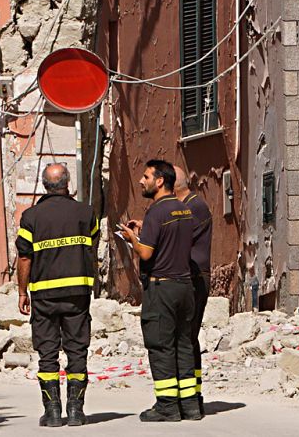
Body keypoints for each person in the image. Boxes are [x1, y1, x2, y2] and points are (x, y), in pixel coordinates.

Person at [15, 163, 99, 427]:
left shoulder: (31, 217)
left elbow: (24, 257)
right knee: (77, 350)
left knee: (48, 352)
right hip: (77, 293)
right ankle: (76, 411)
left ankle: (52, 413)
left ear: (44, 185)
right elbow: (93, 246)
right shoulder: (86, 213)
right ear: (67, 183)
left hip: (45, 295)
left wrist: (22, 291)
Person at [119, 159, 200, 422]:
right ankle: (190, 405)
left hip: (161, 288)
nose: (142, 181)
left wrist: (132, 239)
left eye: (146, 177)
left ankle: (167, 406)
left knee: (161, 345)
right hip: (185, 287)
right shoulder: (183, 209)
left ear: (160, 181)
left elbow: (146, 253)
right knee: (184, 344)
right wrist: (146, 231)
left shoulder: (157, 212)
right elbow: (171, 241)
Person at [174, 165, 212, 416]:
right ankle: (189, 394)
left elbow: (174, 240)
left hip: (194, 279)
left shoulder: (192, 207)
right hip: (188, 278)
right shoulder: (186, 207)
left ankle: (190, 396)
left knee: (186, 338)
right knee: (185, 338)